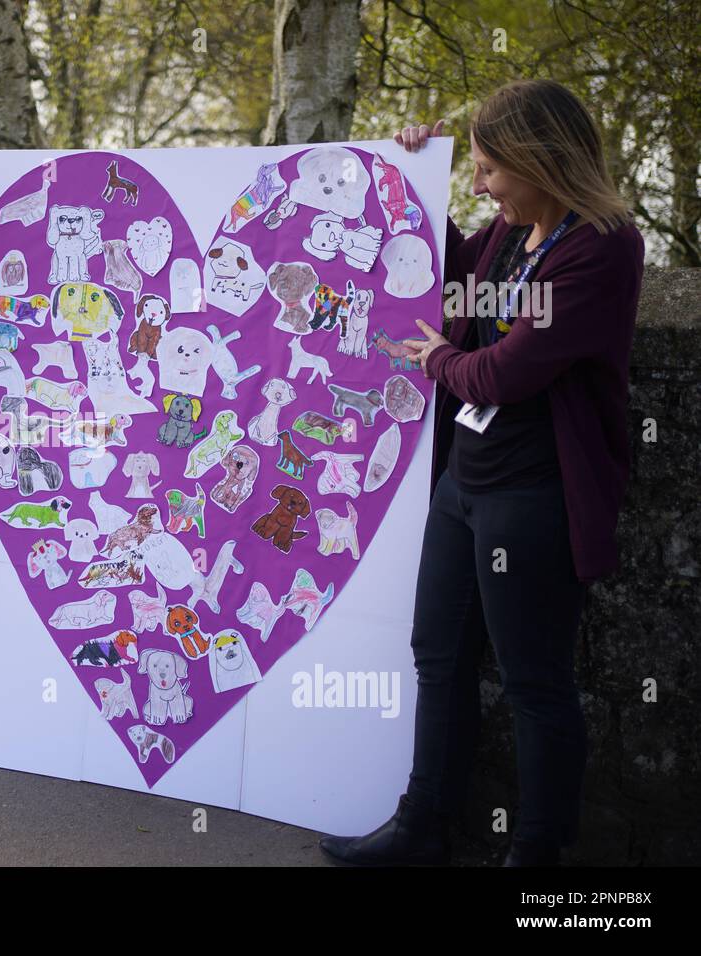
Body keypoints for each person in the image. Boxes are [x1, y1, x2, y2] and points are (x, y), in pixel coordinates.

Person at [319, 80, 644, 867]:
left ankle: (536, 854)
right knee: (438, 654)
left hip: (538, 494)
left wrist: (438, 359)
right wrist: (416, 173)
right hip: (465, 483)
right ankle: (422, 826)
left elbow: (502, 373)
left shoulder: (602, 244)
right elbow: (449, 273)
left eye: (491, 168)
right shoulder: (509, 229)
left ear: (541, 161)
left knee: (535, 680)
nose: (481, 183)